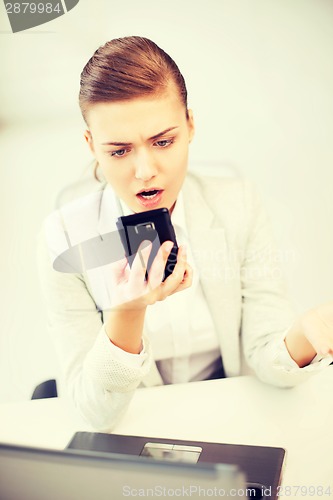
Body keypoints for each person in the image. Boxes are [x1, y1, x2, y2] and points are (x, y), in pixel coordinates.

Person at [38, 36, 333, 431]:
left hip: (229, 415)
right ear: (92, 145)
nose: (145, 171)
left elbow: (266, 353)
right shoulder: (63, 237)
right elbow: (93, 414)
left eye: (163, 141)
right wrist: (127, 312)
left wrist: (307, 332)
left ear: (190, 125)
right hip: (136, 425)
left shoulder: (237, 204)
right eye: (119, 151)